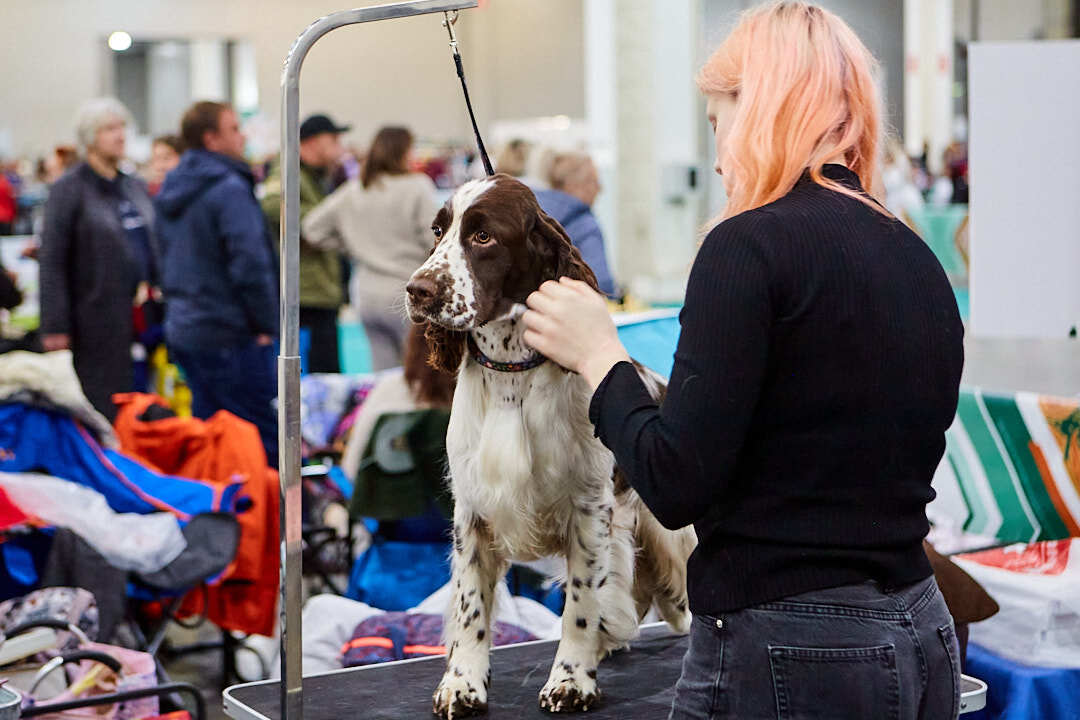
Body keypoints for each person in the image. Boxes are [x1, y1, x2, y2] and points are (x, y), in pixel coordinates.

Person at [522, 4, 964, 719]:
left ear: (761, 108)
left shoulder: (747, 249)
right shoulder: (914, 256)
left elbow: (676, 480)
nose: (720, 151)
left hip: (791, 647)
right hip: (920, 628)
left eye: (717, 120)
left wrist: (601, 357)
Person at [155, 101, 279, 464]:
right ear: (211, 139)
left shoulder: (171, 188)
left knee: (208, 433)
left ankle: (218, 512)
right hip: (230, 332)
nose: (242, 137)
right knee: (258, 437)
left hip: (187, 328)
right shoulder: (228, 188)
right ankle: (271, 515)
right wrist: (265, 325)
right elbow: (250, 263)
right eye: (235, 129)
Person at [38, 98, 156, 421]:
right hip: (91, 318)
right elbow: (52, 260)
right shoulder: (69, 189)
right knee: (102, 404)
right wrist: (55, 327)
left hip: (138, 318)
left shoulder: (132, 186)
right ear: (90, 138)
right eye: (109, 129)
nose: (120, 136)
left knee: (139, 402)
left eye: (121, 127)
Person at [301, 126, 438, 371]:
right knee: (422, 373)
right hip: (406, 292)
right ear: (403, 151)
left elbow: (311, 228)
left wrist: (351, 246)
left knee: (382, 374)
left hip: (366, 295)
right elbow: (434, 239)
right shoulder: (418, 186)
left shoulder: (354, 189)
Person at [261, 114, 349, 373]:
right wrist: (316, 228)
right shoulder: (288, 170)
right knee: (319, 372)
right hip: (305, 292)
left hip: (318, 289)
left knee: (327, 368)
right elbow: (272, 206)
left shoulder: (315, 175)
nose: (338, 145)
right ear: (312, 142)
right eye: (332, 139)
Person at [534, 152, 617, 296]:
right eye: (594, 181)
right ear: (574, 185)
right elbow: (602, 286)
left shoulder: (529, 215)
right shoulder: (585, 225)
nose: (600, 189)